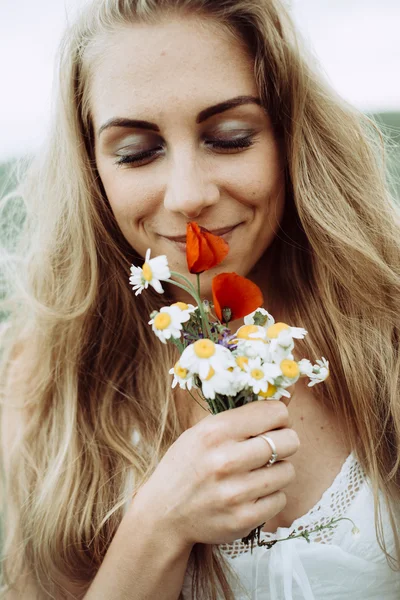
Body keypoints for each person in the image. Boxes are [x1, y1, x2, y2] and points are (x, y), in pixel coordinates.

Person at [0, 0, 399, 598]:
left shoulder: (385, 326)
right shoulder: (43, 380)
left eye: (230, 138)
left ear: (291, 137)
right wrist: (158, 528)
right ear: (92, 169)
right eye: (137, 151)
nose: (189, 196)